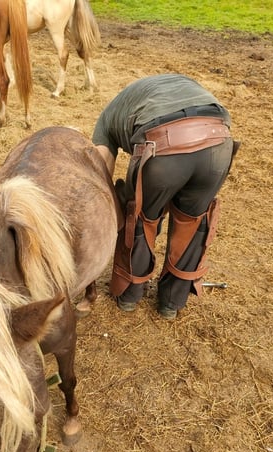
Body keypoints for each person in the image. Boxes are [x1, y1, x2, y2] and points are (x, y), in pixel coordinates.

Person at [92, 74, 240, 319]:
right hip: (218, 143)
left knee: (141, 218)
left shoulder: (107, 118)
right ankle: (171, 303)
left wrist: (120, 203)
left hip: (162, 146)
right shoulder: (178, 83)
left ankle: (129, 295)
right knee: (192, 223)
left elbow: (101, 170)